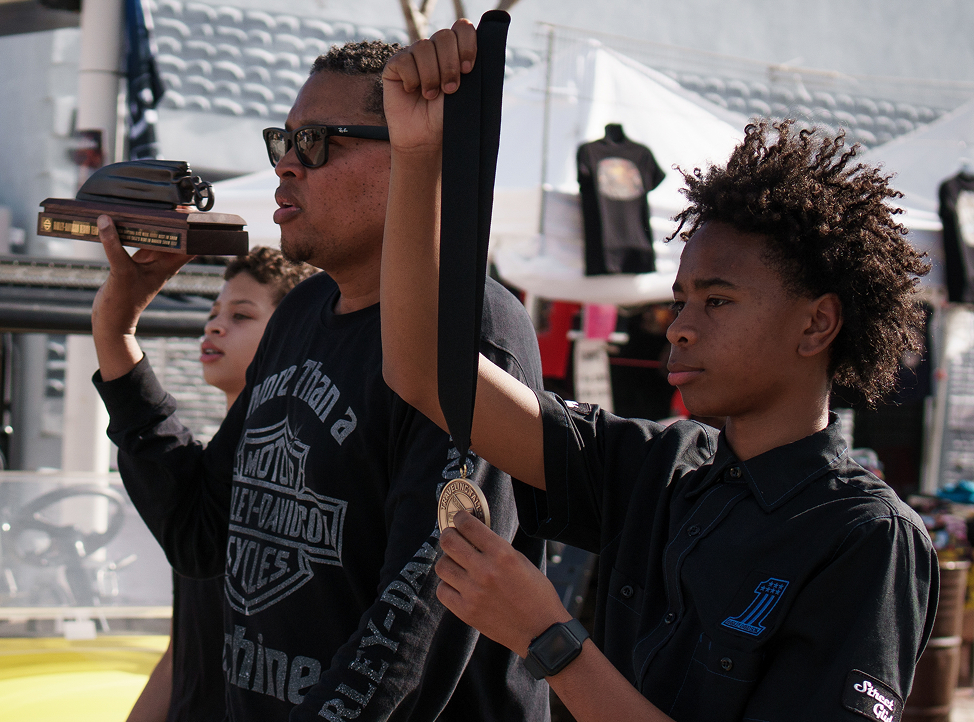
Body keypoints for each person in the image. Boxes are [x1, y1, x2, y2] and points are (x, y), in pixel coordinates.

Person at [377, 22, 938, 722]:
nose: (679, 325)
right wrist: (420, 153)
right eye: (679, 300)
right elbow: (425, 373)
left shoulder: (867, 537)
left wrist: (547, 636)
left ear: (817, 323)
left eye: (718, 300)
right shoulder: (662, 469)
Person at [90, 39, 549, 722]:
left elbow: (418, 614)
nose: (284, 164)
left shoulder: (473, 327)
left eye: (313, 141)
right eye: (283, 139)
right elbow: (200, 533)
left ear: (413, 154)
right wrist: (116, 334)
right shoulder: (302, 312)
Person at [127, 248, 315, 722]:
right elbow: (183, 650)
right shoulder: (206, 470)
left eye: (241, 315)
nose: (213, 326)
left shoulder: (302, 481)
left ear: (288, 334)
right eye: (213, 313)